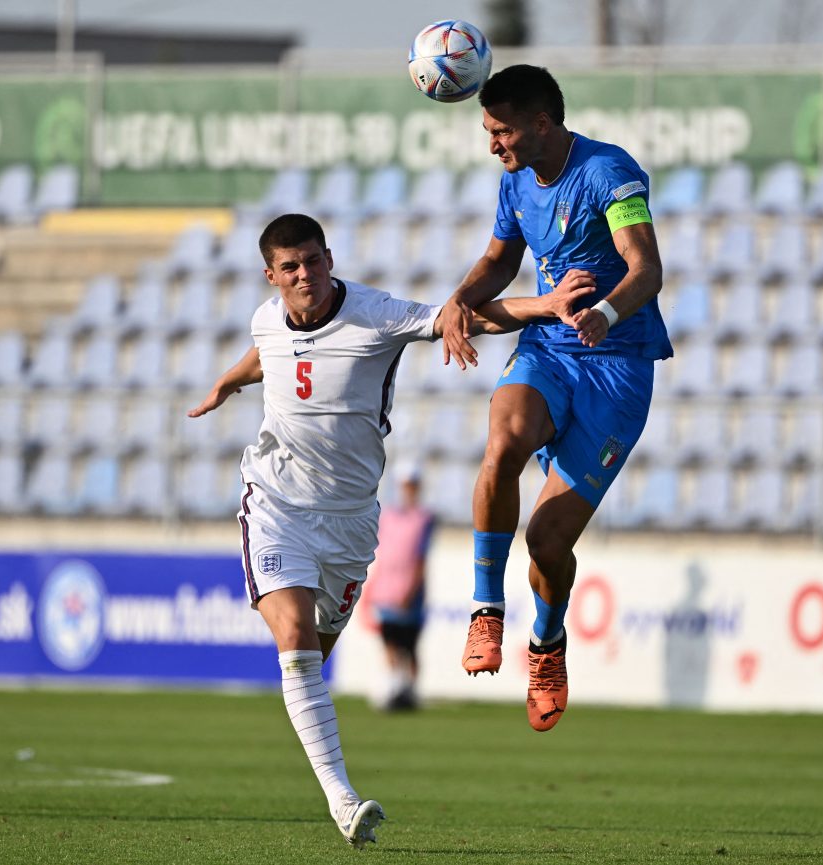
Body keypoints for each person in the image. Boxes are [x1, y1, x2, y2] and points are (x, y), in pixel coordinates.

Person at [187, 213, 593, 848]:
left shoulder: (374, 315)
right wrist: (226, 382)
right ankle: (343, 800)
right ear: (272, 276)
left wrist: (545, 305)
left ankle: (323, 753)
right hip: (275, 501)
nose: (305, 276)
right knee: (293, 640)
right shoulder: (267, 319)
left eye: (314, 261)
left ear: (329, 257)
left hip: (350, 520)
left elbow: (464, 318)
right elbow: (264, 353)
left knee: (311, 661)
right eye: (290, 268)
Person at [438, 65, 672, 732]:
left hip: (617, 365)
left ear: (543, 123)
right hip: (547, 350)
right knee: (502, 443)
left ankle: (546, 641)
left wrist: (606, 310)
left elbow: (646, 268)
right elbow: (499, 259)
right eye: (488, 130)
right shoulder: (514, 179)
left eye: (502, 130)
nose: (492, 144)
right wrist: (459, 299)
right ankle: (486, 609)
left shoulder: (607, 171)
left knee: (545, 540)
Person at [363, 461, 434, 711]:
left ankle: (410, 691)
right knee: (390, 641)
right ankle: (395, 687)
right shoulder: (387, 516)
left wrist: (412, 589)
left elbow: (420, 559)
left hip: (409, 591)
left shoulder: (424, 518)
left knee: (410, 645)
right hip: (386, 589)